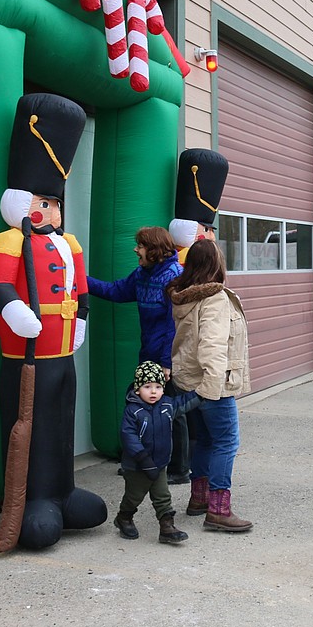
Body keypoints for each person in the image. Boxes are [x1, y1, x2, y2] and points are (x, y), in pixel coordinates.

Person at [0, 93, 106, 550]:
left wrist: (83, 319)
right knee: (28, 424)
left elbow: (81, 289)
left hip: (63, 352)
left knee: (61, 420)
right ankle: (33, 498)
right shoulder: (9, 240)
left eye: (54, 203)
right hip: (24, 355)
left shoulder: (68, 242)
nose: (49, 211)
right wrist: (14, 310)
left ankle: (61, 490)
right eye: (41, 201)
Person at [87, 226, 190, 483]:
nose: (136, 249)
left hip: (166, 356)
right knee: (142, 408)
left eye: (140, 245)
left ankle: (179, 470)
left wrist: (167, 363)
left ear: (154, 250)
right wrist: (78, 279)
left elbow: (173, 324)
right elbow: (115, 291)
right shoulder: (142, 274)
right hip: (147, 353)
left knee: (171, 412)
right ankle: (142, 462)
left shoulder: (175, 277)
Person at [167, 239, 253, 532]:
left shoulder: (184, 296)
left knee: (204, 440)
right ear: (216, 265)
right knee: (226, 442)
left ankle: (199, 498)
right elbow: (212, 347)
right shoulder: (214, 298)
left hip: (187, 381)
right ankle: (218, 510)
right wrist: (212, 388)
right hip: (211, 384)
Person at [113, 361, 201, 544]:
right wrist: (143, 459)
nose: (153, 391)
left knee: (163, 496)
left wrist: (202, 393)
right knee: (134, 496)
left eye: (158, 387)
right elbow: (128, 436)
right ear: (137, 389)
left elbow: (185, 402)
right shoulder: (133, 411)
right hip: (138, 466)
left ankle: (167, 527)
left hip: (160, 464)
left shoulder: (167, 406)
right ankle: (124, 517)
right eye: (147, 386)